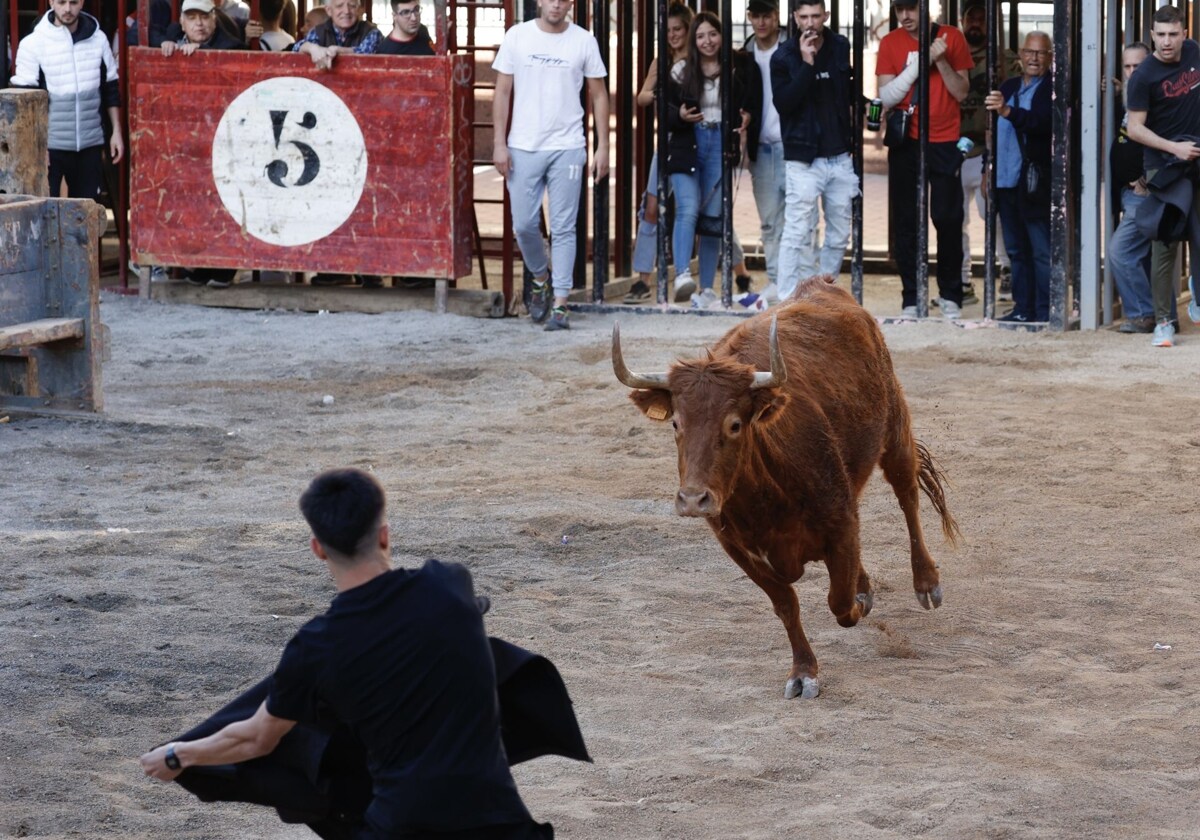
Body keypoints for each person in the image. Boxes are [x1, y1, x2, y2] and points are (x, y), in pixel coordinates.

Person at [139, 468, 574, 838]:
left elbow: (255, 737)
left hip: (401, 826)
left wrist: (180, 754)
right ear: (385, 535)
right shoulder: (450, 587)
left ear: (317, 548)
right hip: (499, 823)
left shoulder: (316, 647)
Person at [492, 0, 609, 331]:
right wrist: (499, 143)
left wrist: (604, 146)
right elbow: (501, 92)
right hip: (523, 145)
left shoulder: (584, 40)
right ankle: (541, 276)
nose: (556, 4)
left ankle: (560, 302)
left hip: (567, 146)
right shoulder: (517, 36)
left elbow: (599, 95)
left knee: (564, 227)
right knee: (525, 225)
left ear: (570, 3)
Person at [876, 0, 972, 320]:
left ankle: (950, 295)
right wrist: (920, 65)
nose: (905, 16)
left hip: (944, 140)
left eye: (911, 8)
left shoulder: (951, 38)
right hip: (907, 141)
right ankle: (912, 297)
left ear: (925, 8)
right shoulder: (890, 42)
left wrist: (940, 59)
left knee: (947, 218)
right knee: (906, 221)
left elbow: (961, 92)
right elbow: (886, 97)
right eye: (899, 9)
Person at [666, 11, 752, 310]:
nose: (707, 41)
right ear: (694, 39)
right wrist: (678, 115)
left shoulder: (733, 69)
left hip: (719, 142)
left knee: (714, 217)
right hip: (688, 143)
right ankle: (680, 277)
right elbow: (662, 112)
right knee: (688, 209)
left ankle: (705, 288)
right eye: (700, 36)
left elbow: (747, 102)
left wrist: (744, 118)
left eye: (712, 34)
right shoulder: (681, 70)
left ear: (721, 35)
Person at [771, 0, 857, 299]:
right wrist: (807, 66)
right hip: (803, 159)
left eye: (815, 16)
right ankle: (785, 300)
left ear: (826, 16)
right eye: (803, 16)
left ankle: (822, 296)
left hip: (839, 155)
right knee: (796, 231)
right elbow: (784, 103)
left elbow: (846, 91)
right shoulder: (783, 56)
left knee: (838, 233)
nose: (809, 23)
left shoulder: (839, 45)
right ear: (794, 17)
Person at [1125, 4, 1200, 348]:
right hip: (1164, 166)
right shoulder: (1143, 77)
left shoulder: (1195, 53)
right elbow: (1135, 129)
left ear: (1184, 33)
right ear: (1152, 35)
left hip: (1196, 159)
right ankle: (1164, 322)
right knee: (1165, 241)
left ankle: (1197, 300)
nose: (1167, 42)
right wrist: (1174, 147)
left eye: (1174, 34)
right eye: (1161, 35)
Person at [10, 0, 124, 200]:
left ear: (82, 2)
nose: (67, 9)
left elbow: (110, 89)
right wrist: (37, 148)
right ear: (51, 2)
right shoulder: (33, 43)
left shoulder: (98, 39)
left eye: (73, 2)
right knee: (45, 215)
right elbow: (24, 102)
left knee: (86, 215)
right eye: (61, 2)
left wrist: (117, 132)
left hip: (90, 145)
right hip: (50, 149)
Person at [625, 2, 694, 304]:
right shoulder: (661, 61)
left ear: (688, 29)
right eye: (668, 31)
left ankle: (740, 271)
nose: (673, 35)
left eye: (678, 29)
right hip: (668, 139)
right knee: (652, 206)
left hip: (696, 139)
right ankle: (643, 279)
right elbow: (640, 97)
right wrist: (658, 93)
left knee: (708, 207)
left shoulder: (699, 58)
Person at [984, 31, 1052, 323]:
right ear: (1020, 55)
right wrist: (989, 168)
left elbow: (1040, 124)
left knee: (1040, 250)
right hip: (1004, 179)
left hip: (1034, 182)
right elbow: (992, 133)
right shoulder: (1008, 86)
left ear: (1050, 57)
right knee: (1015, 249)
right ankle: (1023, 308)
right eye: (1029, 52)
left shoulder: (1052, 89)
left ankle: (1045, 309)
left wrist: (1008, 111)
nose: (1034, 58)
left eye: (1041, 53)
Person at [957, 0, 1016, 303]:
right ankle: (962, 279)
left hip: (986, 149)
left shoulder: (1003, 58)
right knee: (955, 220)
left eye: (982, 18)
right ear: (962, 21)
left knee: (994, 214)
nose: (976, 24)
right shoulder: (952, 54)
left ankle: (1006, 271)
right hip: (954, 148)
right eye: (971, 18)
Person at [1107, 42, 1161, 334]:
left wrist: (1145, 180)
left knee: (1120, 251)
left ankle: (1144, 314)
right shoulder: (1130, 97)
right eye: (1127, 67)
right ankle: (1157, 315)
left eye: (1137, 66)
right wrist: (1113, 97)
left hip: (1144, 195)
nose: (1131, 72)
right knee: (1142, 255)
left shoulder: (1158, 99)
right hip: (1127, 194)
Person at [743, 0, 786, 302]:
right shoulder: (744, 54)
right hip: (762, 147)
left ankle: (798, 282)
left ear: (777, 16)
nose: (761, 22)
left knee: (800, 219)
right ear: (749, 17)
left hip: (794, 146)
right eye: (755, 15)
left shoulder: (792, 47)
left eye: (766, 15)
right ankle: (775, 279)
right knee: (770, 220)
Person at [293, 0, 381, 70]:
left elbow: (366, 53)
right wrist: (312, 48)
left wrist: (338, 50)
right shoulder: (318, 31)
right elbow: (295, 49)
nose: (346, 11)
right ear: (329, 11)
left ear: (358, 10)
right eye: (339, 6)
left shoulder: (371, 31)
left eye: (352, 6)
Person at [161, 0, 246, 55]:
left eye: (204, 17)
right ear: (182, 23)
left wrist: (202, 50)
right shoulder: (172, 34)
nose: (199, 23)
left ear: (214, 20)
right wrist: (165, 44)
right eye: (192, 18)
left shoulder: (230, 46)